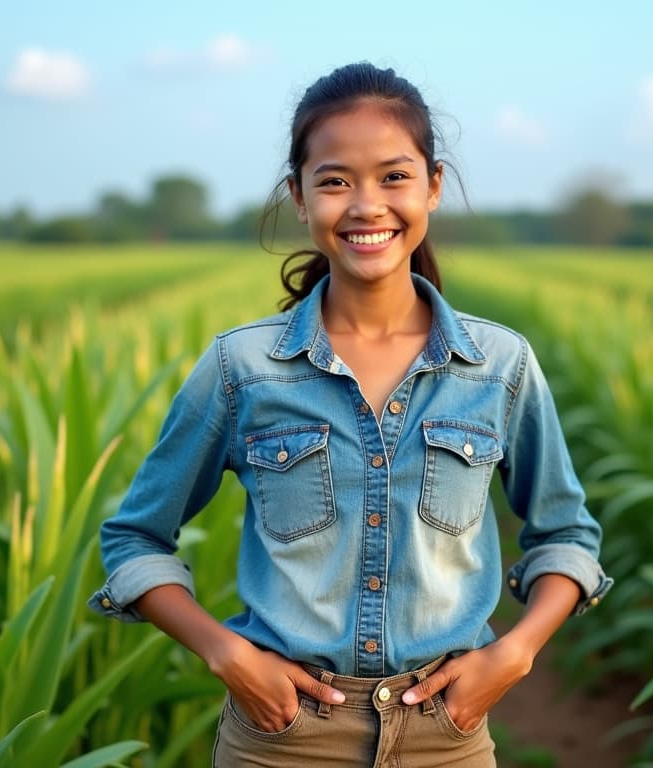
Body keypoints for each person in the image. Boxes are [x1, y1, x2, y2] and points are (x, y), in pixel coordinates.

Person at [89, 61, 612, 767]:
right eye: (335, 180)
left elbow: (565, 535)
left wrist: (514, 655)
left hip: (447, 734)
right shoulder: (243, 369)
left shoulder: (499, 365)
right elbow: (134, 539)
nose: (367, 206)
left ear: (432, 185)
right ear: (299, 199)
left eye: (394, 176)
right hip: (283, 737)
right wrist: (228, 655)